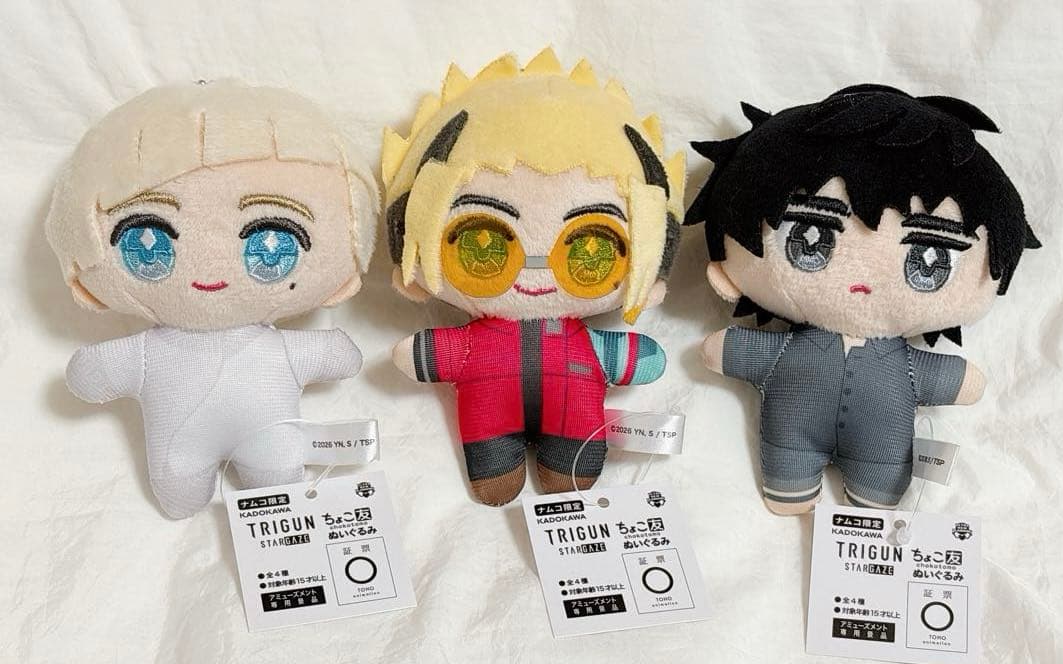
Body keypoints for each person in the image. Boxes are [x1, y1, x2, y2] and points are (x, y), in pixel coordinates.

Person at [686, 85, 1039, 514]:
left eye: (928, 261)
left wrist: (958, 378)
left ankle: (871, 499)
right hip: (789, 442)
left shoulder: (898, 366)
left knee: (876, 505)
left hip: (883, 453)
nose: (863, 280)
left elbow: (956, 381)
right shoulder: (864, 363)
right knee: (789, 485)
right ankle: (791, 489)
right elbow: (730, 350)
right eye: (808, 240)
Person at [46, 81, 379, 518]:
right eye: (148, 244)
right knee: (180, 486)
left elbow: (341, 357)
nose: (209, 270)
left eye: (272, 244)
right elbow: (90, 375)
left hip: (270, 442)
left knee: (276, 478)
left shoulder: (152, 355)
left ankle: (263, 482)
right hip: (182, 453)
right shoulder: (151, 354)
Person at [383, 50, 685, 505]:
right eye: (482, 244)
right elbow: (426, 355)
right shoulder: (486, 343)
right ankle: (498, 465)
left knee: (571, 470)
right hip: (492, 417)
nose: (537, 268)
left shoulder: (570, 343)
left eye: (590, 250)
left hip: (572, 418)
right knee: (495, 473)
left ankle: (565, 465)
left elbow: (646, 360)